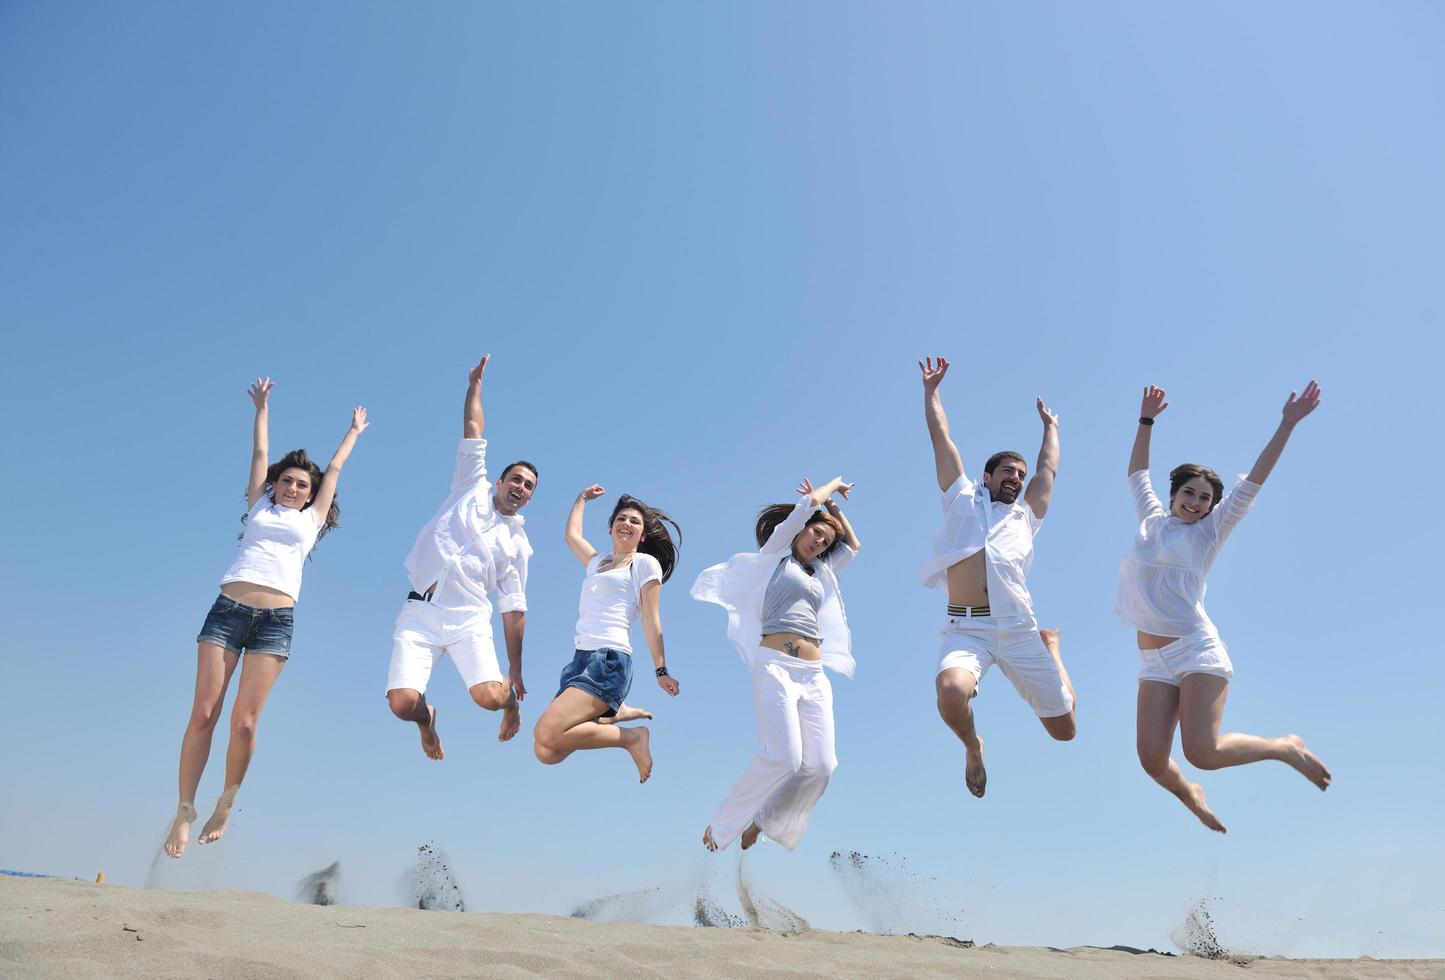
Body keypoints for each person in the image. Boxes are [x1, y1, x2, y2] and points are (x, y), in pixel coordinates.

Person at [164, 377, 367, 858]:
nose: (294, 487)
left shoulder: (311, 520)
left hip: (275, 622)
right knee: (203, 716)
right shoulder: (260, 502)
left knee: (245, 725)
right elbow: (260, 450)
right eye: (287, 481)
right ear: (273, 485)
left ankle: (226, 802)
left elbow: (335, 468)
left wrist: (353, 431)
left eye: (302, 484)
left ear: (311, 492)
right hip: (227, 614)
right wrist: (262, 408)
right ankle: (185, 810)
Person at [1120, 382, 1331, 832]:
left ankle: (1284, 747)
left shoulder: (1209, 533)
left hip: (1196, 651)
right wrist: (1146, 420)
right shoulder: (1152, 520)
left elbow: (1254, 480)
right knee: (1151, 760)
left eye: (1205, 498)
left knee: (1203, 753)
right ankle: (1191, 797)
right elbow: (1137, 472)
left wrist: (1286, 424)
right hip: (1153, 660)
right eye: (1190, 493)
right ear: (1174, 492)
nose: (1197, 503)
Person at [917, 356, 1076, 800]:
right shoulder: (961, 498)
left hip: (1019, 629)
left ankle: (1054, 652)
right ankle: (973, 746)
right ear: (987, 476)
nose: (1016, 478)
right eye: (1008, 472)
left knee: (1065, 729)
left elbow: (1049, 470)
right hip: (967, 627)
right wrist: (932, 392)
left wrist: (1051, 428)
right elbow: (940, 437)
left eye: (1020, 475)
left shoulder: (1026, 516)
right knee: (950, 694)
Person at [694, 477, 860, 852]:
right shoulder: (774, 557)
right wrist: (831, 487)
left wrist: (834, 515)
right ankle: (722, 826)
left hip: (813, 674)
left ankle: (765, 821)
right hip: (775, 665)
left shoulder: (822, 574)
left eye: (825, 542)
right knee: (783, 756)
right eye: (816, 533)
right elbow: (805, 508)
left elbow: (853, 545)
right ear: (802, 529)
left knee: (821, 765)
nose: (820, 542)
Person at [386, 355, 536, 760]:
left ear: (528, 498)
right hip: (421, 611)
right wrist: (474, 385)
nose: (521, 487)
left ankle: (510, 706)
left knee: (488, 698)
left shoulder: (518, 545)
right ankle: (426, 721)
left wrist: (515, 670)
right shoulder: (470, 484)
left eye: (529, 486)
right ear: (500, 481)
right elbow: (474, 428)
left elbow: (513, 608)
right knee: (401, 703)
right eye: (517, 479)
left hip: (469, 618)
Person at [532, 488, 681, 782]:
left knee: (546, 732)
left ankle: (632, 738)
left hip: (609, 660)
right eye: (621, 518)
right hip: (580, 659)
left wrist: (661, 669)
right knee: (546, 752)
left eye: (635, 521)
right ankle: (612, 715)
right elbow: (572, 537)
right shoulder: (597, 563)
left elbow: (652, 620)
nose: (627, 523)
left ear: (642, 536)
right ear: (612, 527)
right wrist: (581, 500)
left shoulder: (644, 564)